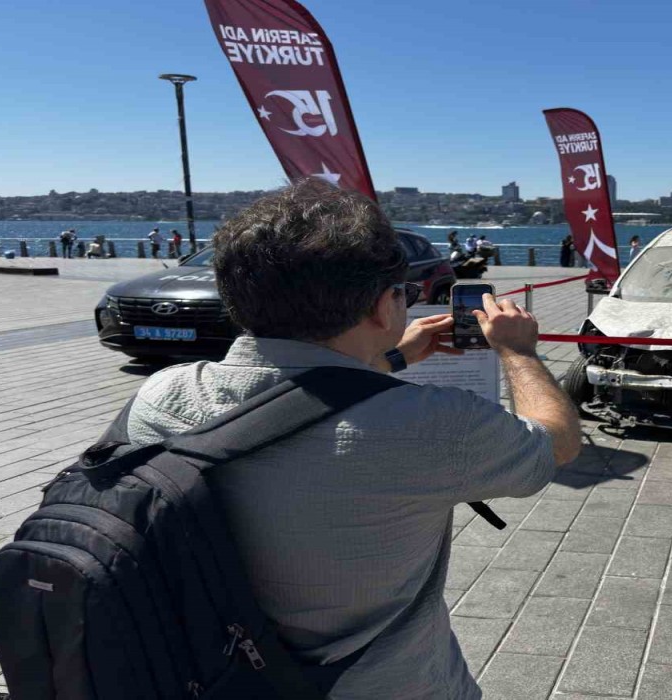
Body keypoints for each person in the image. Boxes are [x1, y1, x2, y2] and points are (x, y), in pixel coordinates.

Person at [123, 180, 581, 698]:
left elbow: (290, 395)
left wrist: (387, 358)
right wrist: (519, 352)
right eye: (402, 295)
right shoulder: (433, 425)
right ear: (385, 307)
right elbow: (557, 443)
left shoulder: (162, 396)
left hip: (203, 678)